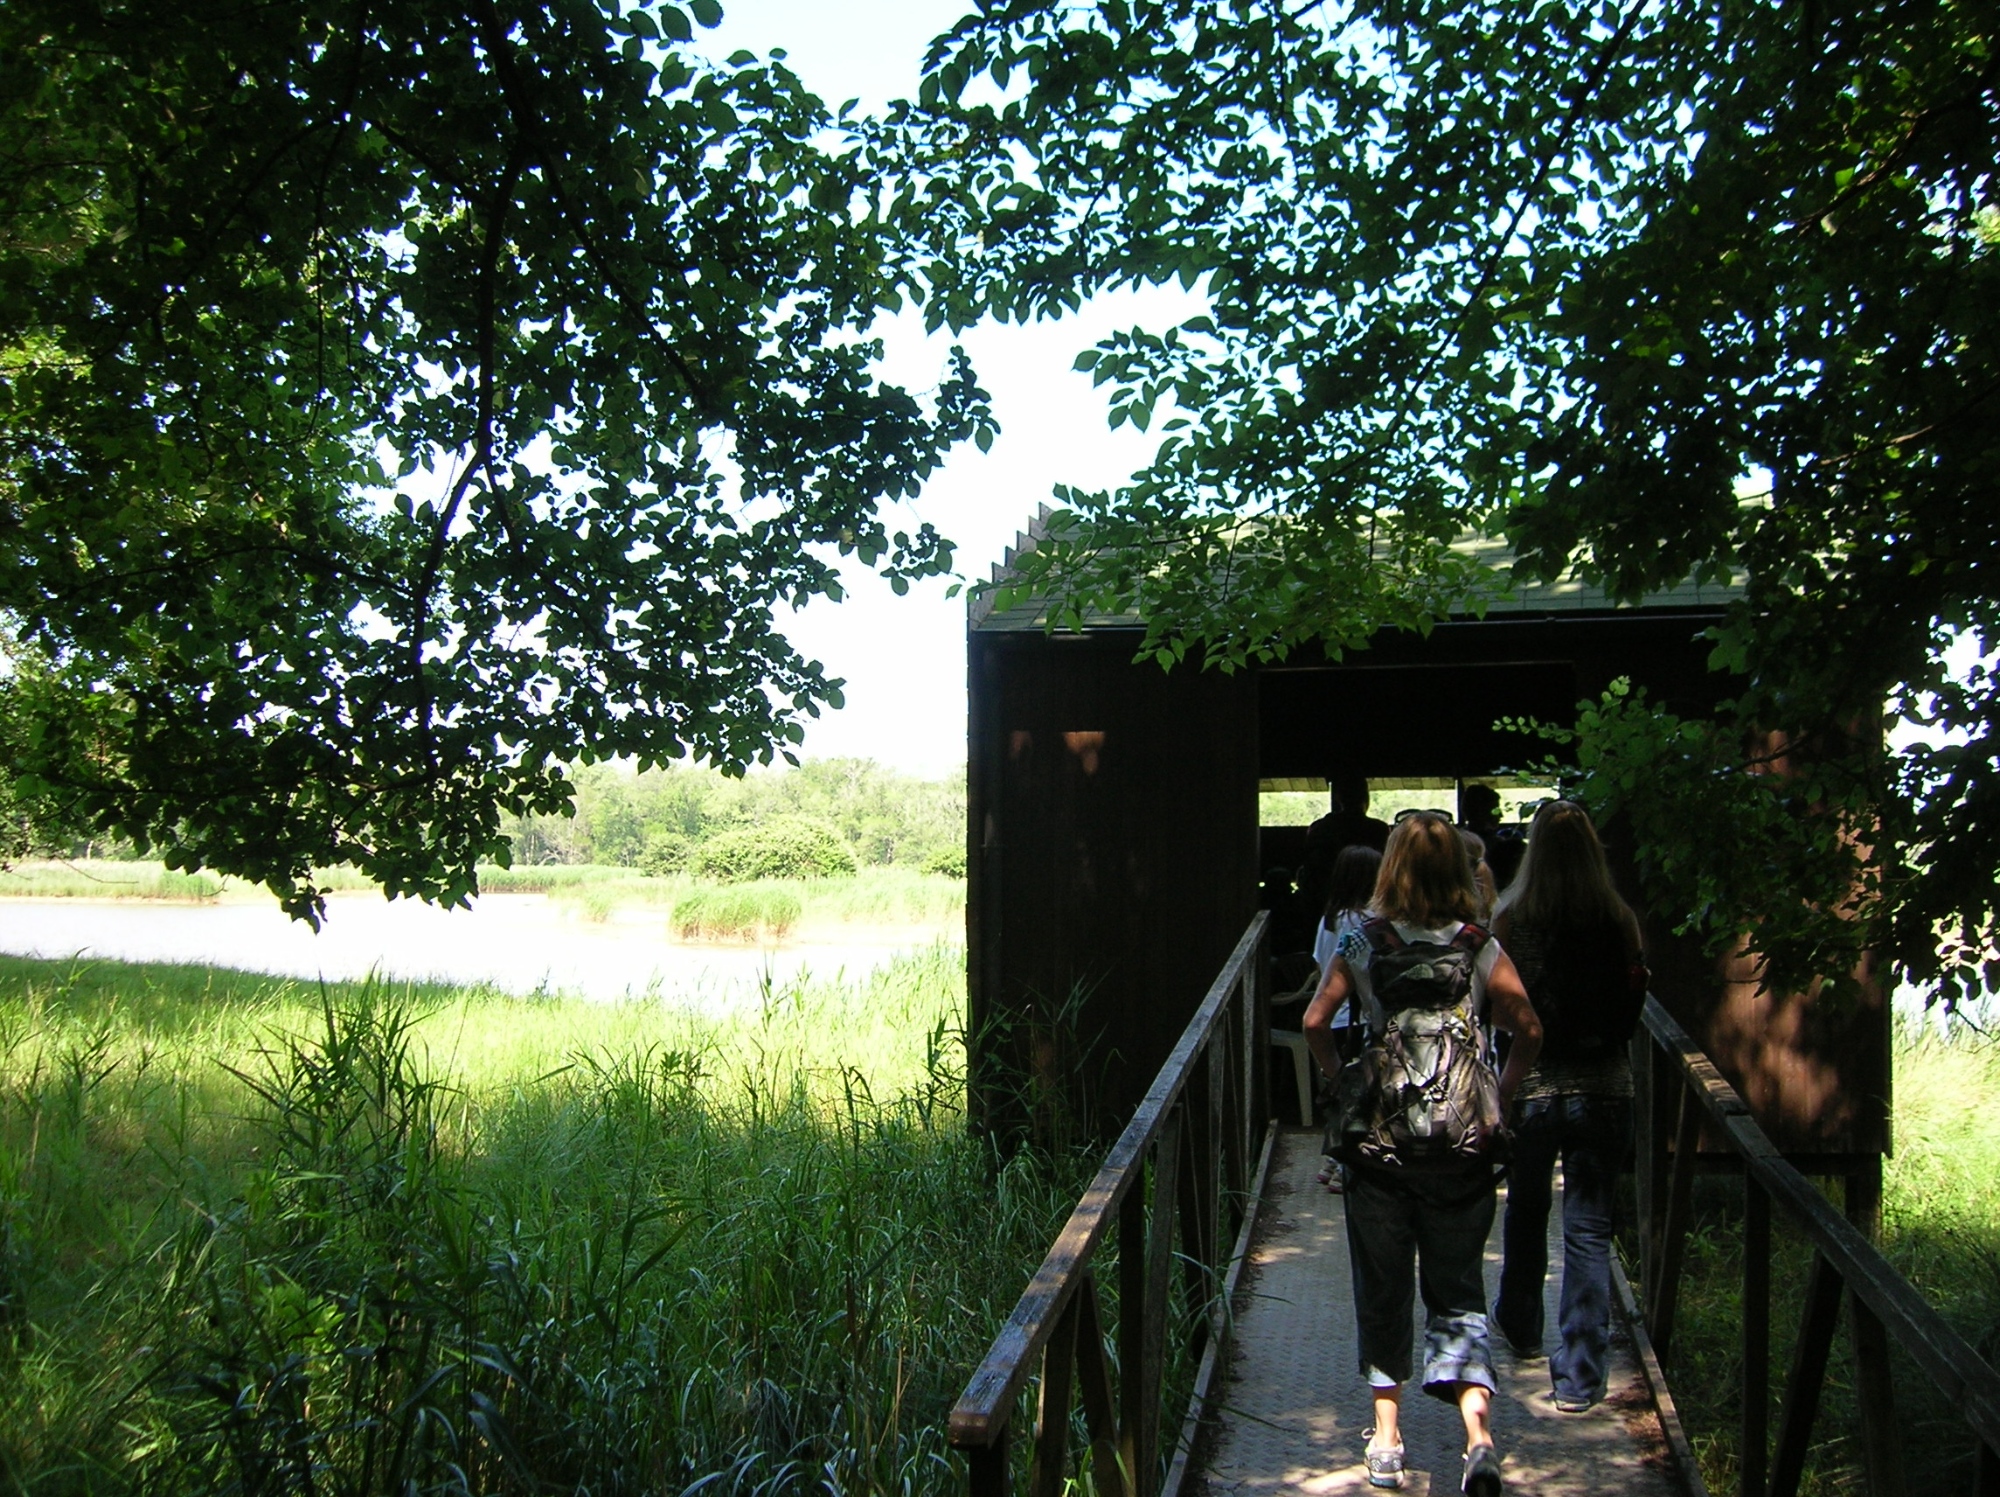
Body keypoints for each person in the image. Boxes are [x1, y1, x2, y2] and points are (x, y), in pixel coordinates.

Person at [1303, 812, 1542, 1496]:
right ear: (1458, 873)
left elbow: (1317, 1021)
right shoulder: (1478, 944)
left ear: (1392, 868)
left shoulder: (1360, 937)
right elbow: (1529, 1027)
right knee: (1458, 1288)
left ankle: (1386, 1440)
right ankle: (1479, 1440)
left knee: (1384, 1290)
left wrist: (1339, 1076)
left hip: (1379, 1149)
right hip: (1462, 1153)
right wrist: (1499, 1088)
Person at [1489, 800, 1646, 1415]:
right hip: (1606, 1088)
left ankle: (1522, 1326)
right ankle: (1580, 1375)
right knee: (1588, 1229)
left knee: (1526, 1212)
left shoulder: (1511, 917)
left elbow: (1499, 1010)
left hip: (1532, 1088)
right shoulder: (1619, 918)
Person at [1312, 844, 1382, 1191]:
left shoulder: (1329, 919)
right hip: (1357, 1018)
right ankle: (1345, 1165)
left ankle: (1331, 1158)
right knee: (1362, 1095)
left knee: (1341, 1089)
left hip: (1332, 1016)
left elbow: (1320, 964)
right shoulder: (1367, 923)